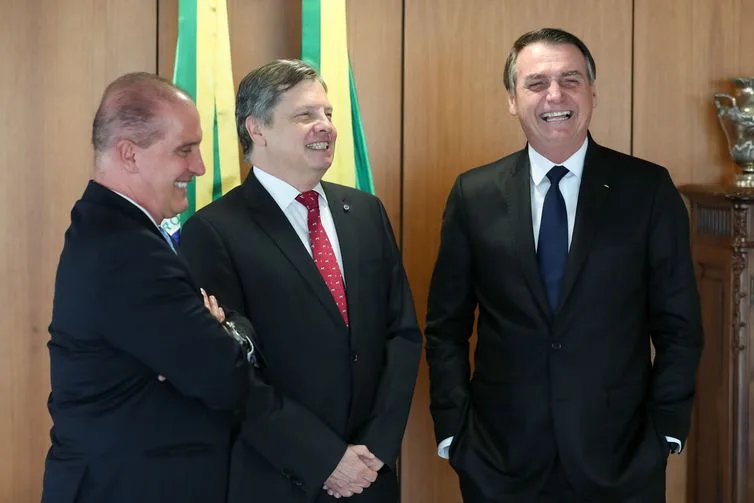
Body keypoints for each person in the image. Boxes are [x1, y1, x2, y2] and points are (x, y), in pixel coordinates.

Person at [424, 28, 703, 503]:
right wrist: (455, 431)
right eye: (536, 83)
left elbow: (679, 324)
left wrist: (667, 430)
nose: (555, 94)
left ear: (592, 92)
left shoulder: (649, 190)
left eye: (570, 80)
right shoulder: (473, 194)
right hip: (498, 459)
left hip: (621, 459)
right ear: (512, 99)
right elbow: (445, 326)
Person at [179, 59, 422, 503]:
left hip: (372, 477)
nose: (325, 126)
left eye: (328, 114)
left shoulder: (366, 212)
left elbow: (401, 333)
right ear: (257, 128)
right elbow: (230, 374)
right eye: (305, 115)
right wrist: (325, 460)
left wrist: (375, 449)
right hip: (279, 479)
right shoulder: (213, 232)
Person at [41, 72, 254, 503]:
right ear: (129, 154)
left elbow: (206, 362)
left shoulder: (112, 229)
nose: (199, 167)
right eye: (184, 150)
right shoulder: (126, 251)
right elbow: (224, 377)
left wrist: (214, 333)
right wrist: (223, 336)